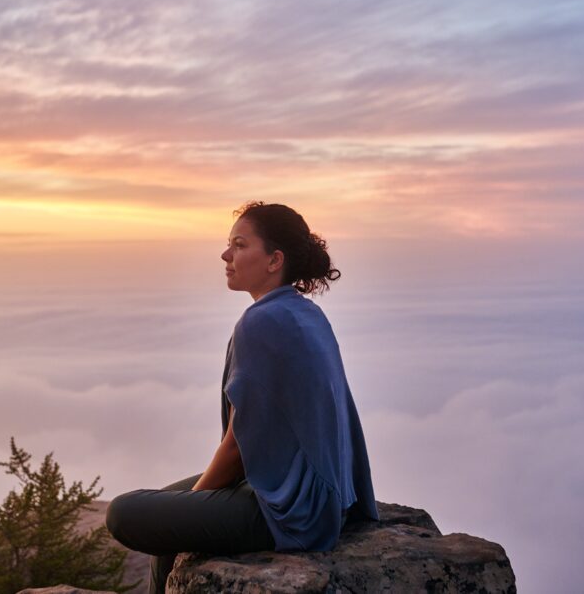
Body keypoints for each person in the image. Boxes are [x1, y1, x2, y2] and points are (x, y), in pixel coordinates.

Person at [105, 201, 380, 594]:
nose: (226, 255)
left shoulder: (262, 322)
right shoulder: (304, 313)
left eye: (239, 245)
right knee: (163, 508)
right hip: (310, 494)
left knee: (124, 513)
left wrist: (193, 508)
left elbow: (236, 446)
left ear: (274, 260)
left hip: (291, 509)